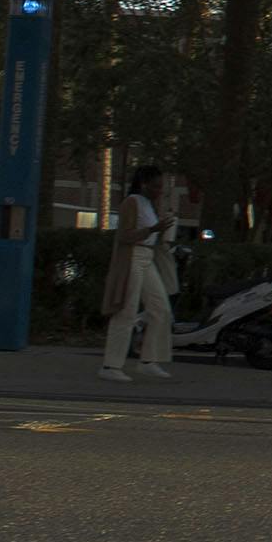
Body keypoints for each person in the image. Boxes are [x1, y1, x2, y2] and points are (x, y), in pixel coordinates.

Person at [99, 164, 176, 383]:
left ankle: (148, 360)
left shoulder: (149, 204)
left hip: (147, 257)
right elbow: (124, 235)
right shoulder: (132, 202)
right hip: (132, 257)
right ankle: (111, 364)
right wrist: (153, 230)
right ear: (144, 184)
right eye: (156, 186)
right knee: (126, 310)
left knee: (160, 308)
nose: (159, 190)